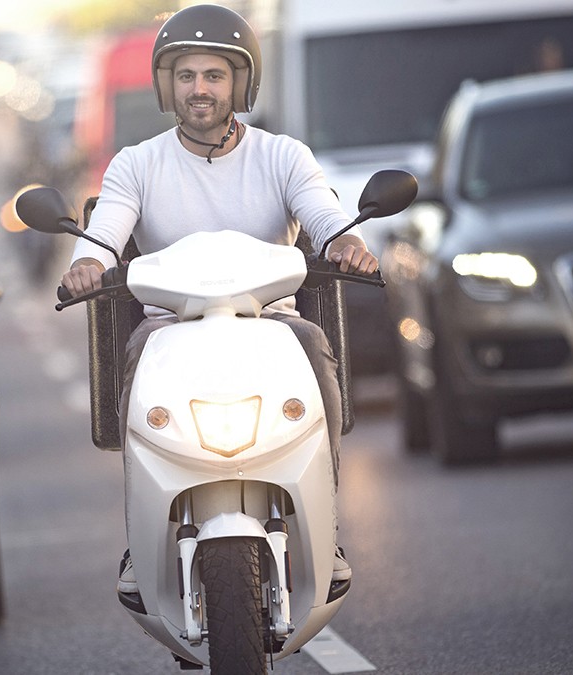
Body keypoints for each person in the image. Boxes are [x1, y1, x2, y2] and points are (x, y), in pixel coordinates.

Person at [60, 3, 377, 595]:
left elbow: (323, 215)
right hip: (169, 332)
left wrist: (349, 243)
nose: (198, 90)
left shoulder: (282, 155)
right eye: (185, 76)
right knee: (135, 358)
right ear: (165, 85)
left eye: (213, 75)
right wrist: (85, 264)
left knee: (315, 343)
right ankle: (141, 539)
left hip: (272, 326)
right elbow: (105, 234)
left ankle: (327, 523)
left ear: (240, 82)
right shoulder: (137, 163)